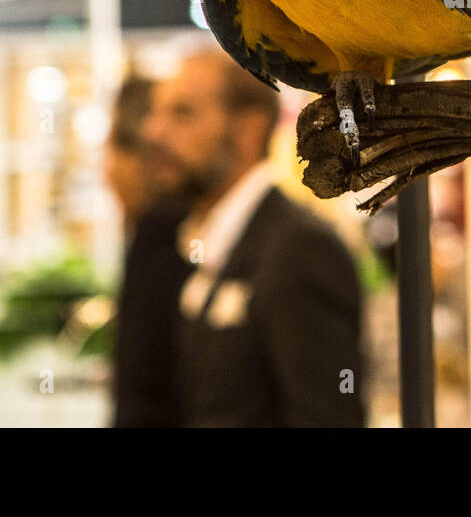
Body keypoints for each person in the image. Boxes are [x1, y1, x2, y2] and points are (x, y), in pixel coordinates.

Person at [140, 49, 365, 427]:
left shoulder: (301, 249)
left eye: (182, 113)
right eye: (157, 112)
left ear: (248, 129)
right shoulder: (219, 240)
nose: (153, 132)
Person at [107, 74, 192, 428]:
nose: (106, 171)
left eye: (111, 146)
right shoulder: (176, 229)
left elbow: (145, 386)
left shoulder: (161, 233)